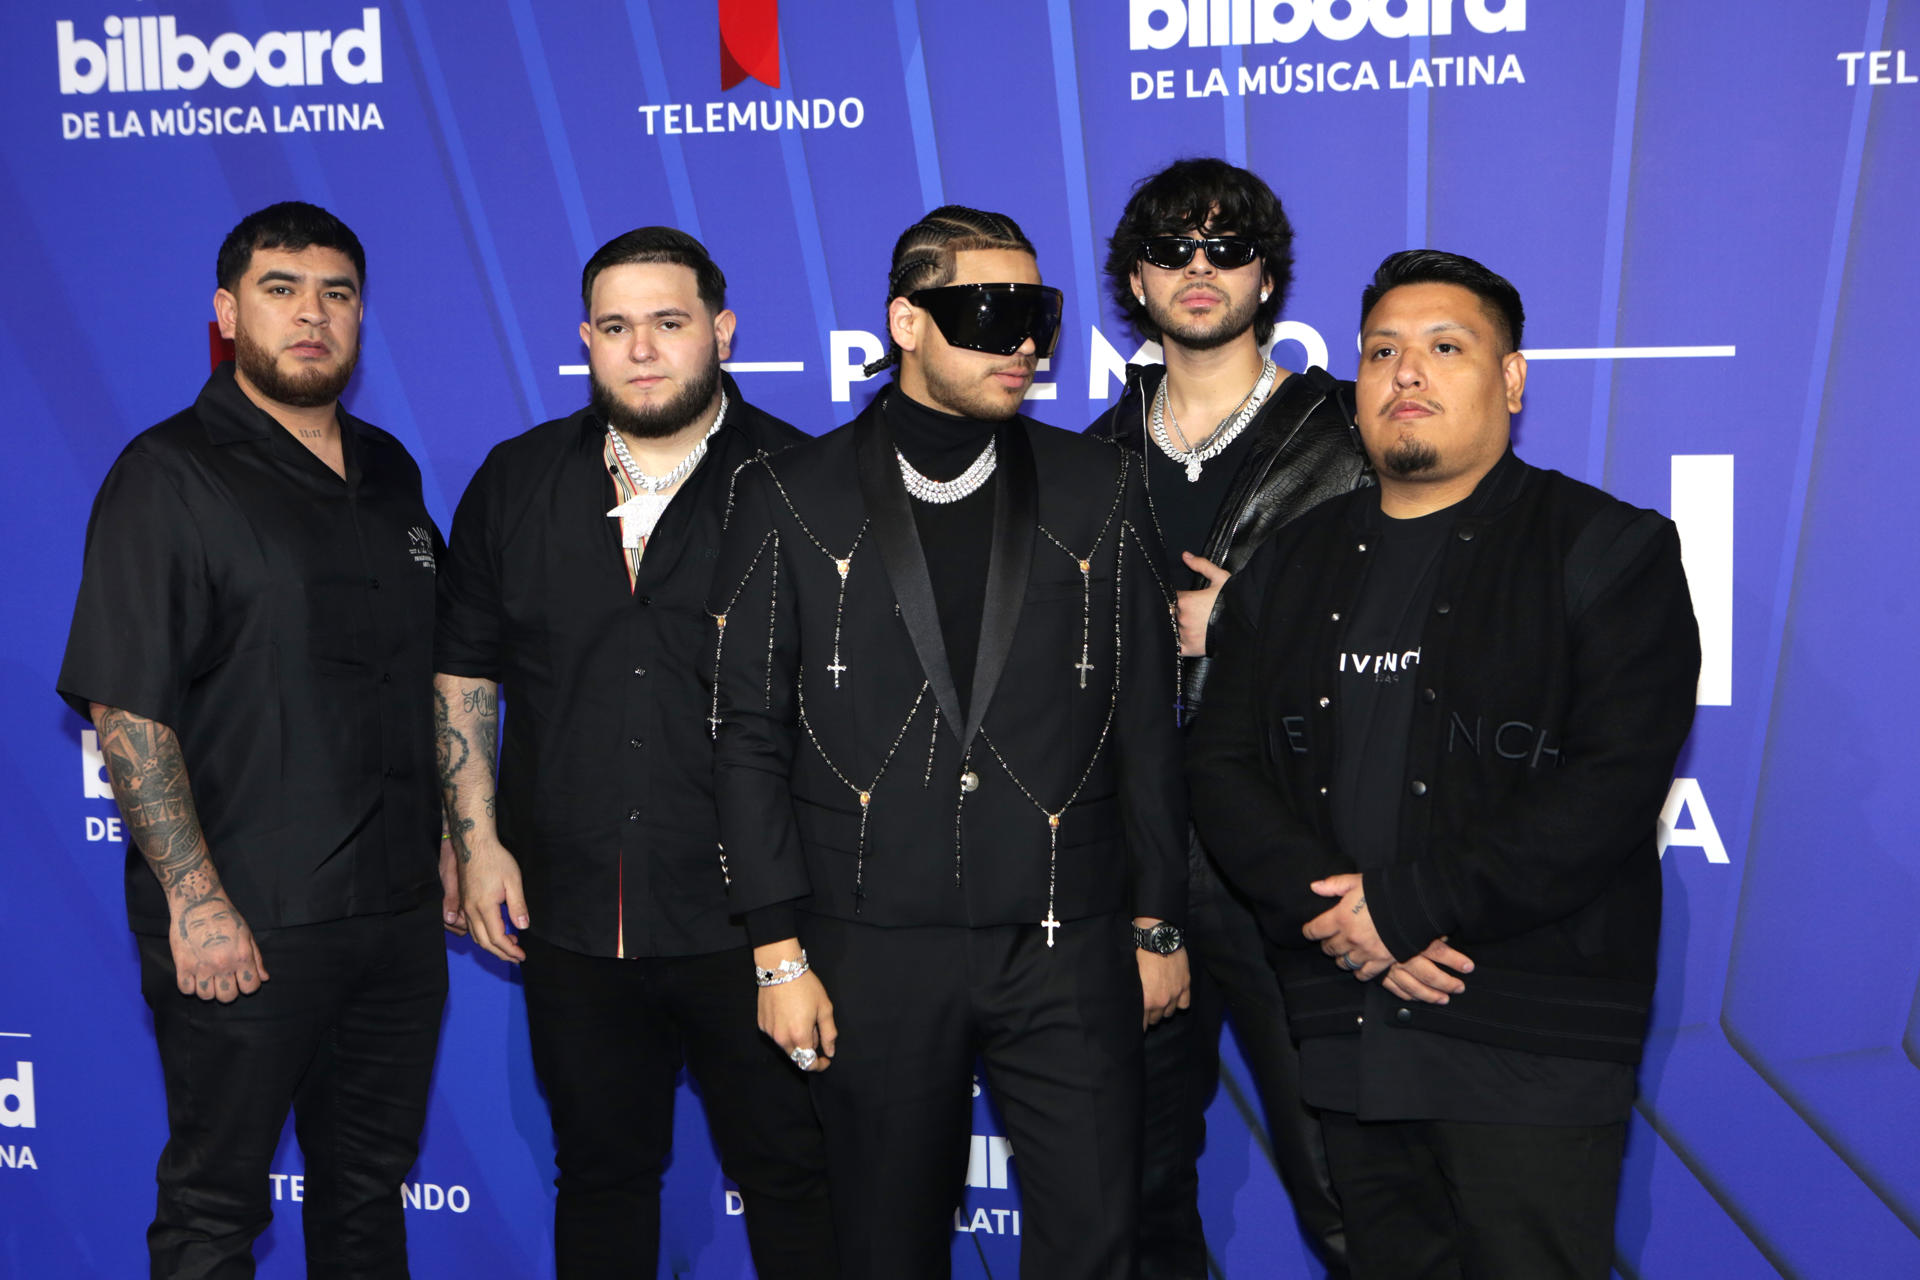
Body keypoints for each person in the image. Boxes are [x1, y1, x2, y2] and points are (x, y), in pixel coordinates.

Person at [1188, 249, 1700, 1279]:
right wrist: (1343, 917)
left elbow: (1609, 785)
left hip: (1531, 1033)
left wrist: (1405, 905)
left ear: (1512, 380)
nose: (1406, 373)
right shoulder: (1287, 565)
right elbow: (1221, 763)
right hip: (1347, 1021)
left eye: (1445, 348)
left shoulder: (1610, 548)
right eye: (1381, 352)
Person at [710, 206, 1189, 1279]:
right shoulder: (788, 492)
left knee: (1097, 1242)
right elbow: (746, 734)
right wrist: (778, 951)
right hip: (869, 943)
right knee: (884, 1248)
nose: (1023, 341)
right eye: (988, 311)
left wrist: (1157, 921)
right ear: (906, 321)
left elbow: (1144, 720)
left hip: (1068, 935)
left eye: (1039, 313)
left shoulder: (1101, 485)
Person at [432, 227, 836, 1278]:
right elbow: (466, 673)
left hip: (756, 918)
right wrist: (476, 840)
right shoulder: (516, 480)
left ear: (723, 330)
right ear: (586, 341)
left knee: (796, 1177)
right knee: (601, 1179)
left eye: (668, 321)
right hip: (570, 912)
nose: (642, 349)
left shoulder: (807, 479)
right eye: (616, 327)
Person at [58, 201, 451, 1277]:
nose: (311, 315)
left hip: (395, 916)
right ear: (228, 314)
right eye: (281, 290)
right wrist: (197, 902)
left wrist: (455, 843)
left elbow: (426, 675)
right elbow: (127, 707)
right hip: (247, 916)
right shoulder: (166, 474)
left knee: (366, 1192)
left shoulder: (390, 470)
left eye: (336, 293)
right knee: (214, 1209)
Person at [1088, 156, 1366, 1279]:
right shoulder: (1089, 458)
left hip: (1299, 846)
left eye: (1227, 247)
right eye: (1172, 249)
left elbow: (1431, 620)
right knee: (1133, 1186)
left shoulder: (1349, 432)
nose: (1199, 268)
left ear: (1267, 276)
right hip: (1134, 859)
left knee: (1348, 1181)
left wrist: (1245, 623)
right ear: (1137, 281)